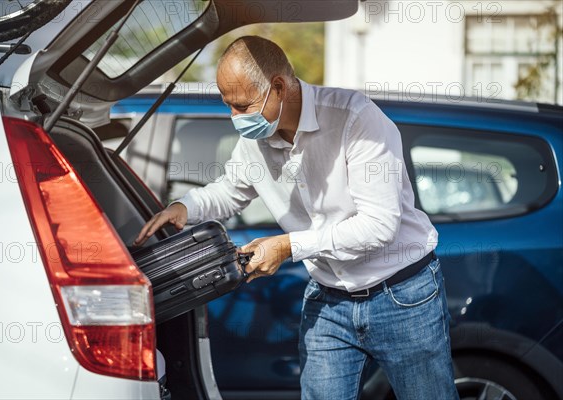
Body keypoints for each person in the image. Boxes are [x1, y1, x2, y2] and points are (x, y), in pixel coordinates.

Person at [134, 36, 459, 400]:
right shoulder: (255, 142)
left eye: (242, 106)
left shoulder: (355, 117)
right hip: (328, 299)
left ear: (278, 87)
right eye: (228, 106)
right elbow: (230, 190)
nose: (235, 119)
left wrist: (288, 246)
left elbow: (379, 225)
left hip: (402, 294)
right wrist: (184, 207)